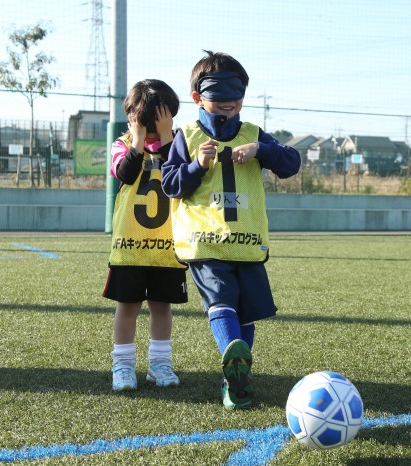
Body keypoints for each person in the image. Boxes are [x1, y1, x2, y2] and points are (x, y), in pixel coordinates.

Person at [161, 50, 301, 408]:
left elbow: (291, 163)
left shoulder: (254, 134)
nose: (229, 101)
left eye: (236, 93)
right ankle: (232, 361)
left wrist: (262, 150)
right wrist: (196, 165)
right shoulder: (187, 136)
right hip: (204, 241)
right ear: (198, 97)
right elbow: (171, 185)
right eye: (218, 94)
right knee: (222, 300)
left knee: (247, 310)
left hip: (247, 241)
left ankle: (234, 380)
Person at [103, 79, 189, 391]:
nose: (152, 132)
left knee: (161, 307)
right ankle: (123, 366)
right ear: (133, 119)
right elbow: (124, 174)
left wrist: (167, 138)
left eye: (158, 125)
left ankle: (160, 364)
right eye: (145, 124)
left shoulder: (179, 144)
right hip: (130, 247)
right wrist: (139, 141)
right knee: (127, 307)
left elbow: (181, 174)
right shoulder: (123, 144)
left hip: (168, 248)